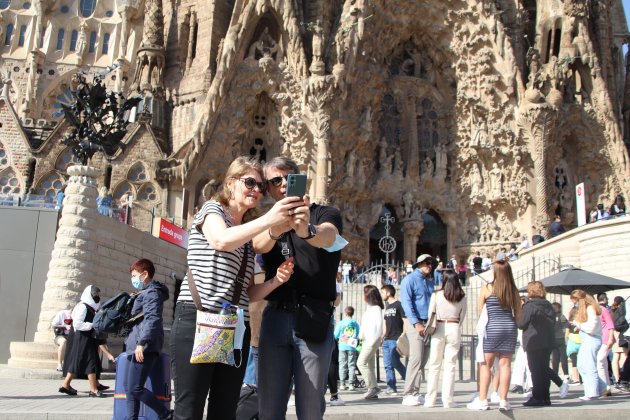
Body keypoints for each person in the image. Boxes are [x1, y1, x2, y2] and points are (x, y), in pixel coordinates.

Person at [170, 156, 296, 420]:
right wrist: (269, 220)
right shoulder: (212, 211)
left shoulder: (246, 237)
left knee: (225, 410)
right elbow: (220, 240)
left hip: (234, 326)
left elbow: (247, 293)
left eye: (261, 187)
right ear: (230, 183)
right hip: (198, 318)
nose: (256, 190)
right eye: (250, 182)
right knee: (189, 409)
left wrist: (275, 281)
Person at [253, 156, 342, 420]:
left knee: (310, 408)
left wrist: (306, 230)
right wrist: (275, 228)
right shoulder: (266, 220)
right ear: (268, 189)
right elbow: (257, 245)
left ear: (300, 180)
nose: (282, 185)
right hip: (275, 318)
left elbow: (330, 236)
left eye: (288, 178)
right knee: (269, 407)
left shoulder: (324, 213)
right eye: (274, 181)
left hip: (313, 316)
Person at [468, 260, 521, 411]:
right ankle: (504, 400)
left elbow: (480, 310)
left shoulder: (487, 288)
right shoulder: (513, 291)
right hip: (509, 328)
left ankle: (483, 399)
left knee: (486, 365)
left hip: (492, 327)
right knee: (505, 365)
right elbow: (518, 314)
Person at [125, 259, 172, 420]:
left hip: (145, 346)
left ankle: (165, 414)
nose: (133, 279)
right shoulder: (145, 292)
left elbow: (153, 319)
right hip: (137, 344)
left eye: (135, 275)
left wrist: (141, 343)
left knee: (135, 388)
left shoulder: (152, 293)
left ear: (145, 274)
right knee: (130, 388)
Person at [424, 270, 467, 408]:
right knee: (450, 366)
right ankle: (447, 400)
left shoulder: (436, 295)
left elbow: (430, 314)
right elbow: (462, 316)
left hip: (439, 327)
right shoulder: (462, 296)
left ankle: (430, 399)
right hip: (454, 327)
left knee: (434, 365)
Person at [400, 254, 436, 406]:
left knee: (423, 358)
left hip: (428, 323)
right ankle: (408, 393)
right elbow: (407, 303)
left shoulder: (429, 281)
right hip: (416, 323)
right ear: (419, 264)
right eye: (427, 263)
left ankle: (415, 391)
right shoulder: (409, 280)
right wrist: (416, 323)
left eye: (431, 263)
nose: (430, 265)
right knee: (416, 358)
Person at [59, 285, 104, 397]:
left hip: (86, 337)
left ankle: (66, 385)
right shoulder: (83, 306)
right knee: (90, 361)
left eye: (98, 295)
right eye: (95, 295)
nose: (97, 297)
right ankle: (93, 389)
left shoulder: (90, 307)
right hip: (83, 337)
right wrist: (92, 325)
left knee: (78, 361)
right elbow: (77, 324)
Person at [516, 281, 556, 407]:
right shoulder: (548, 305)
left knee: (535, 370)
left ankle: (537, 397)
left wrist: (519, 312)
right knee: (544, 369)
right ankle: (546, 397)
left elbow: (522, 324)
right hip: (547, 340)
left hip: (533, 340)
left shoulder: (530, 305)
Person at [570, 289, 604, 401]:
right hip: (589, 339)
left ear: (579, 300)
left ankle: (593, 393)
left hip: (591, 339)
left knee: (588, 366)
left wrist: (578, 324)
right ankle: (601, 388)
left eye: (575, 302)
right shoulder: (589, 309)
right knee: (582, 364)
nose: (575, 304)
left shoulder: (590, 308)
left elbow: (591, 328)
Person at [357, 285, 384, 400]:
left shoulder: (376, 308)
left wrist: (372, 341)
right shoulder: (371, 308)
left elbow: (378, 327)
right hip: (368, 339)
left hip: (371, 340)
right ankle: (372, 389)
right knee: (369, 365)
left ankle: (373, 387)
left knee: (361, 363)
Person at [380, 285, 406, 395]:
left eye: (382, 292)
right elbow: (385, 323)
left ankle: (410, 381)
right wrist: (383, 336)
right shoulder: (387, 306)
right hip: (387, 339)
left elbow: (405, 320)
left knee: (395, 362)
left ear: (388, 293)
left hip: (396, 338)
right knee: (387, 365)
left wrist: (403, 334)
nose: (381, 295)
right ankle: (391, 387)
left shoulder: (399, 305)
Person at [334, 306, 360, 391]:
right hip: (351, 346)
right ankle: (351, 384)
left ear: (345, 313)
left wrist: (341, 337)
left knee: (342, 364)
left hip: (342, 345)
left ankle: (342, 383)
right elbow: (356, 334)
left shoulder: (341, 323)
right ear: (352, 313)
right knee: (351, 365)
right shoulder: (355, 323)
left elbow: (336, 334)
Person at [596, 293, 615, 396]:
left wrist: (611, 338)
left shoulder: (603, 309)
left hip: (606, 338)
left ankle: (604, 388)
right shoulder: (599, 309)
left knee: (600, 361)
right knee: (602, 362)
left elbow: (610, 324)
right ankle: (606, 388)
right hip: (603, 338)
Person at [611, 296, 628, 387]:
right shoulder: (622, 310)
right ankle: (623, 378)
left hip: (614, 334)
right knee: (625, 357)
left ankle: (618, 379)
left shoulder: (612, 310)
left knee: (616, 357)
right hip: (621, 334)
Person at [551, 302, 569, 379]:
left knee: (555, 357)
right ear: (558, 308)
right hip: (561, 338)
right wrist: (566, 337)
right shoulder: (562, 316)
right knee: (563, 357)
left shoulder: (550, 317)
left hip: (553, 339)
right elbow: (567, 325)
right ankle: (566, 374)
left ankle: (555, 374)